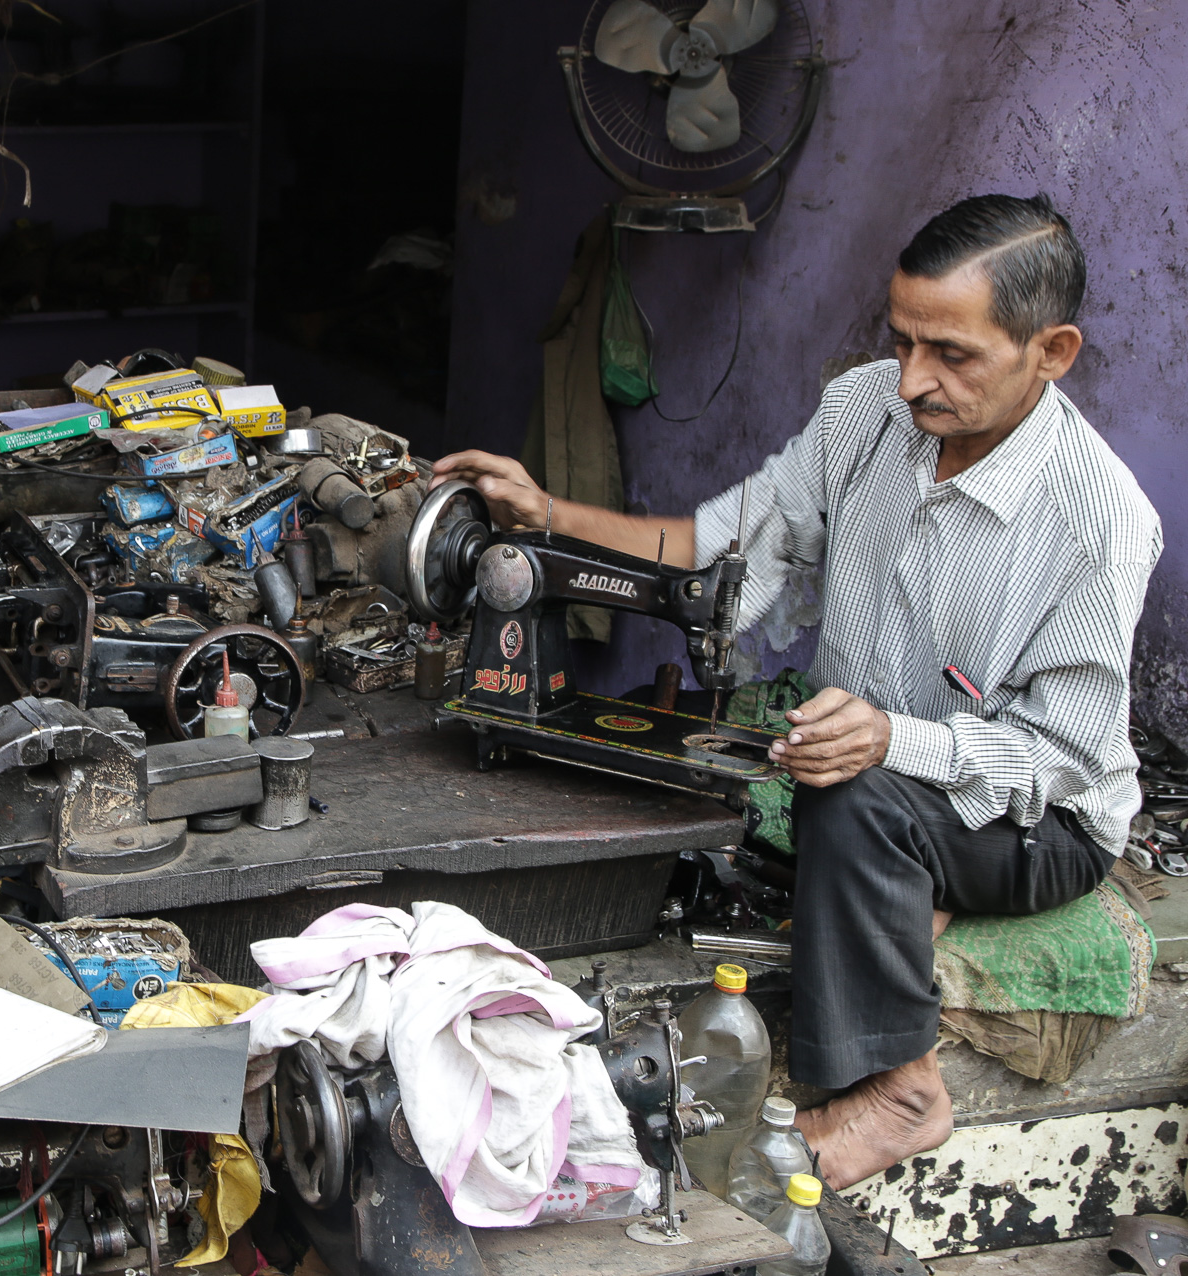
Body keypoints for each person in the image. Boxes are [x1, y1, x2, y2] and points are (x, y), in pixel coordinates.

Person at [433, 194, 1160, 1188]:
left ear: (1053, 350)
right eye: (901, 341)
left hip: (1039, 821)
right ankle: (898, 894)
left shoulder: (1095, 518)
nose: (914, 380)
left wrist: (889, 742)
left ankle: (897, 1088)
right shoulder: (865, 411)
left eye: (952, 354)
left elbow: (1059, 761)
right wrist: (549, 515)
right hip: (881, 776)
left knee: (854, 799)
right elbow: (717, 553)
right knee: (776, 780)